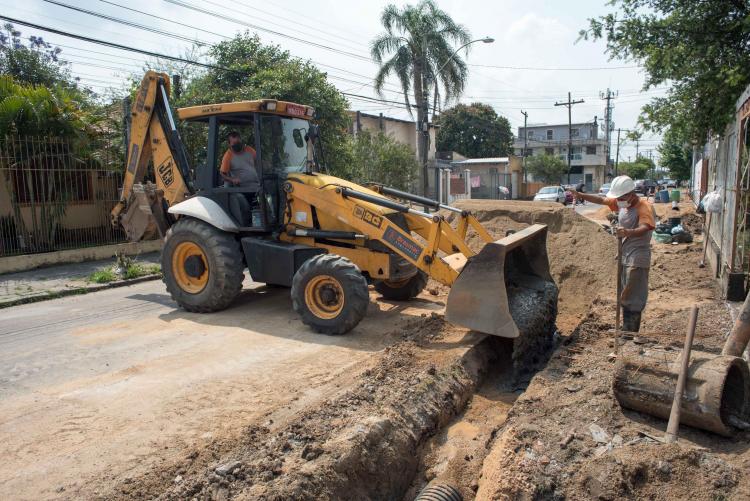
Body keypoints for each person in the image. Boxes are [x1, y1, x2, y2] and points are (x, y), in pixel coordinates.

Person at [572, 175, 655, 332]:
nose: (618, 200)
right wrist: (581, 195)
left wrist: (627, 232)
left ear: (631, 194)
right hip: (625, 252)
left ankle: (630, 332)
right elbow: (601, 200)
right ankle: (626, 329)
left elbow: (645, 227)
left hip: (638, 255)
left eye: (621, 197)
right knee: (625, 291)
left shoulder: (644, 206)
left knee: (634, 293)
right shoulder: (624, 204)